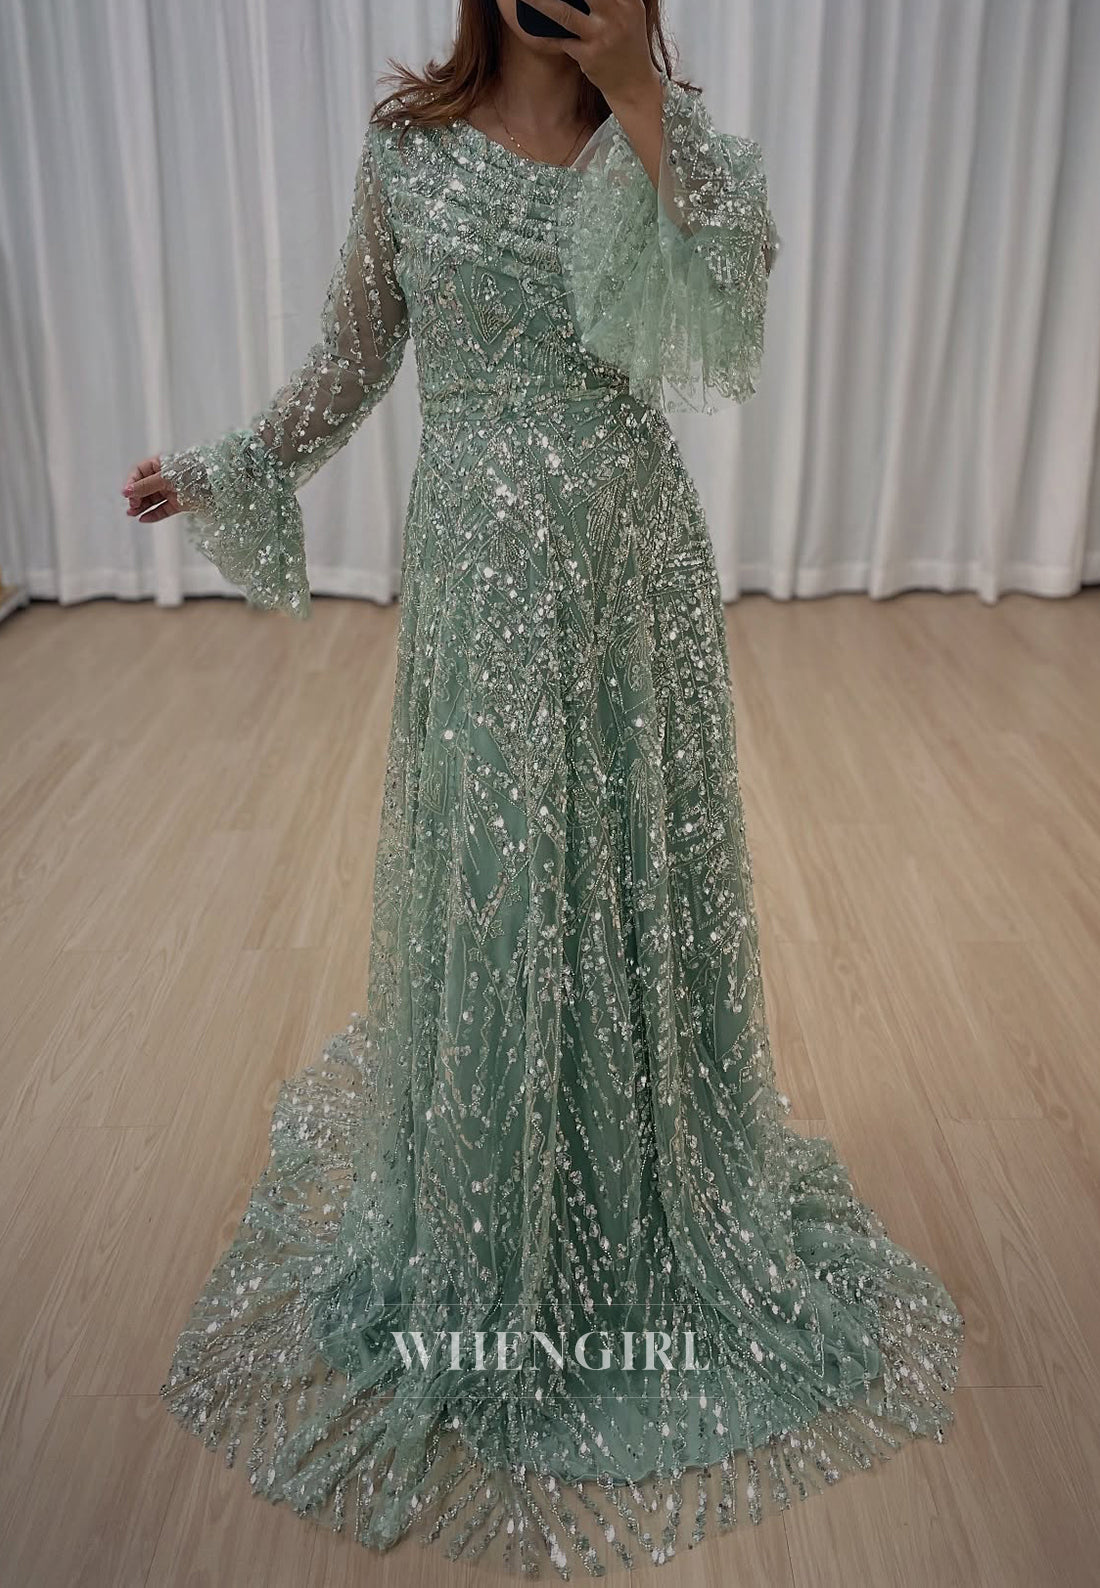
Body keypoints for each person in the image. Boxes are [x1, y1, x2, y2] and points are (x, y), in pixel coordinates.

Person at [123, 0, 964, 1576]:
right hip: (484, 576)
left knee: (626, 873)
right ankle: (495, 1212)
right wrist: (237, 461)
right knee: (504, 886)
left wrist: (639, 97)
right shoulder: (409, 147)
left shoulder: (659, 137)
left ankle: (639, 1206)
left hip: (628, 569)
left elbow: (729, 315)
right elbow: (356, 354)